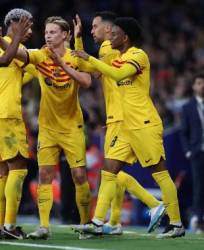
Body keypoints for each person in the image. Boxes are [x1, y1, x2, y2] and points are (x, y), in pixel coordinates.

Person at [72, 17, 185, 238]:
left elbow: (117, 74)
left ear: (125, 37)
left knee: (160, 173)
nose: (110, 37)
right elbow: (85, 65)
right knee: (109, 170)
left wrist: (91, 60)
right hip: (124, 126)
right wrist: (78, 41)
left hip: (144, 123)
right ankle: (97, 222)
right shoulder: (118, 58)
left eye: (114, 34)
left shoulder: (138, 56)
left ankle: (176, 223)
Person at [0, 16, 92, 239]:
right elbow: (19, 54)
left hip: (73, 126)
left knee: (79, 175)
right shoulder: (41, 55)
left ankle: (86, 224)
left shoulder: (75, 57)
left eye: (53, 32)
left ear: (65, 35)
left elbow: (86, 81)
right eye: (46, 32)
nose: (48, 35)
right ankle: (44, 226)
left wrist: (62, 63)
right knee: (44, 174)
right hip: (47, 127)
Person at [0, 8, 34, 240]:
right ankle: (10, 226)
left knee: (2, 171)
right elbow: (15, 55)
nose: (30, 30)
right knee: (19, 168)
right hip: (7, 115)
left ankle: (2, 226)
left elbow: (28, 72)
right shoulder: (10, 46)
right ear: (14, 23)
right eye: (26, 25)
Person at [180, 72, 204, 233]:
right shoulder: (187, 107)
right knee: (198, 186)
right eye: (199, 83)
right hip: (197, 151)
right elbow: (184, 131)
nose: (202, 86)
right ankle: (197, 217)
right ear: (194, 86)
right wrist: (188, 150)